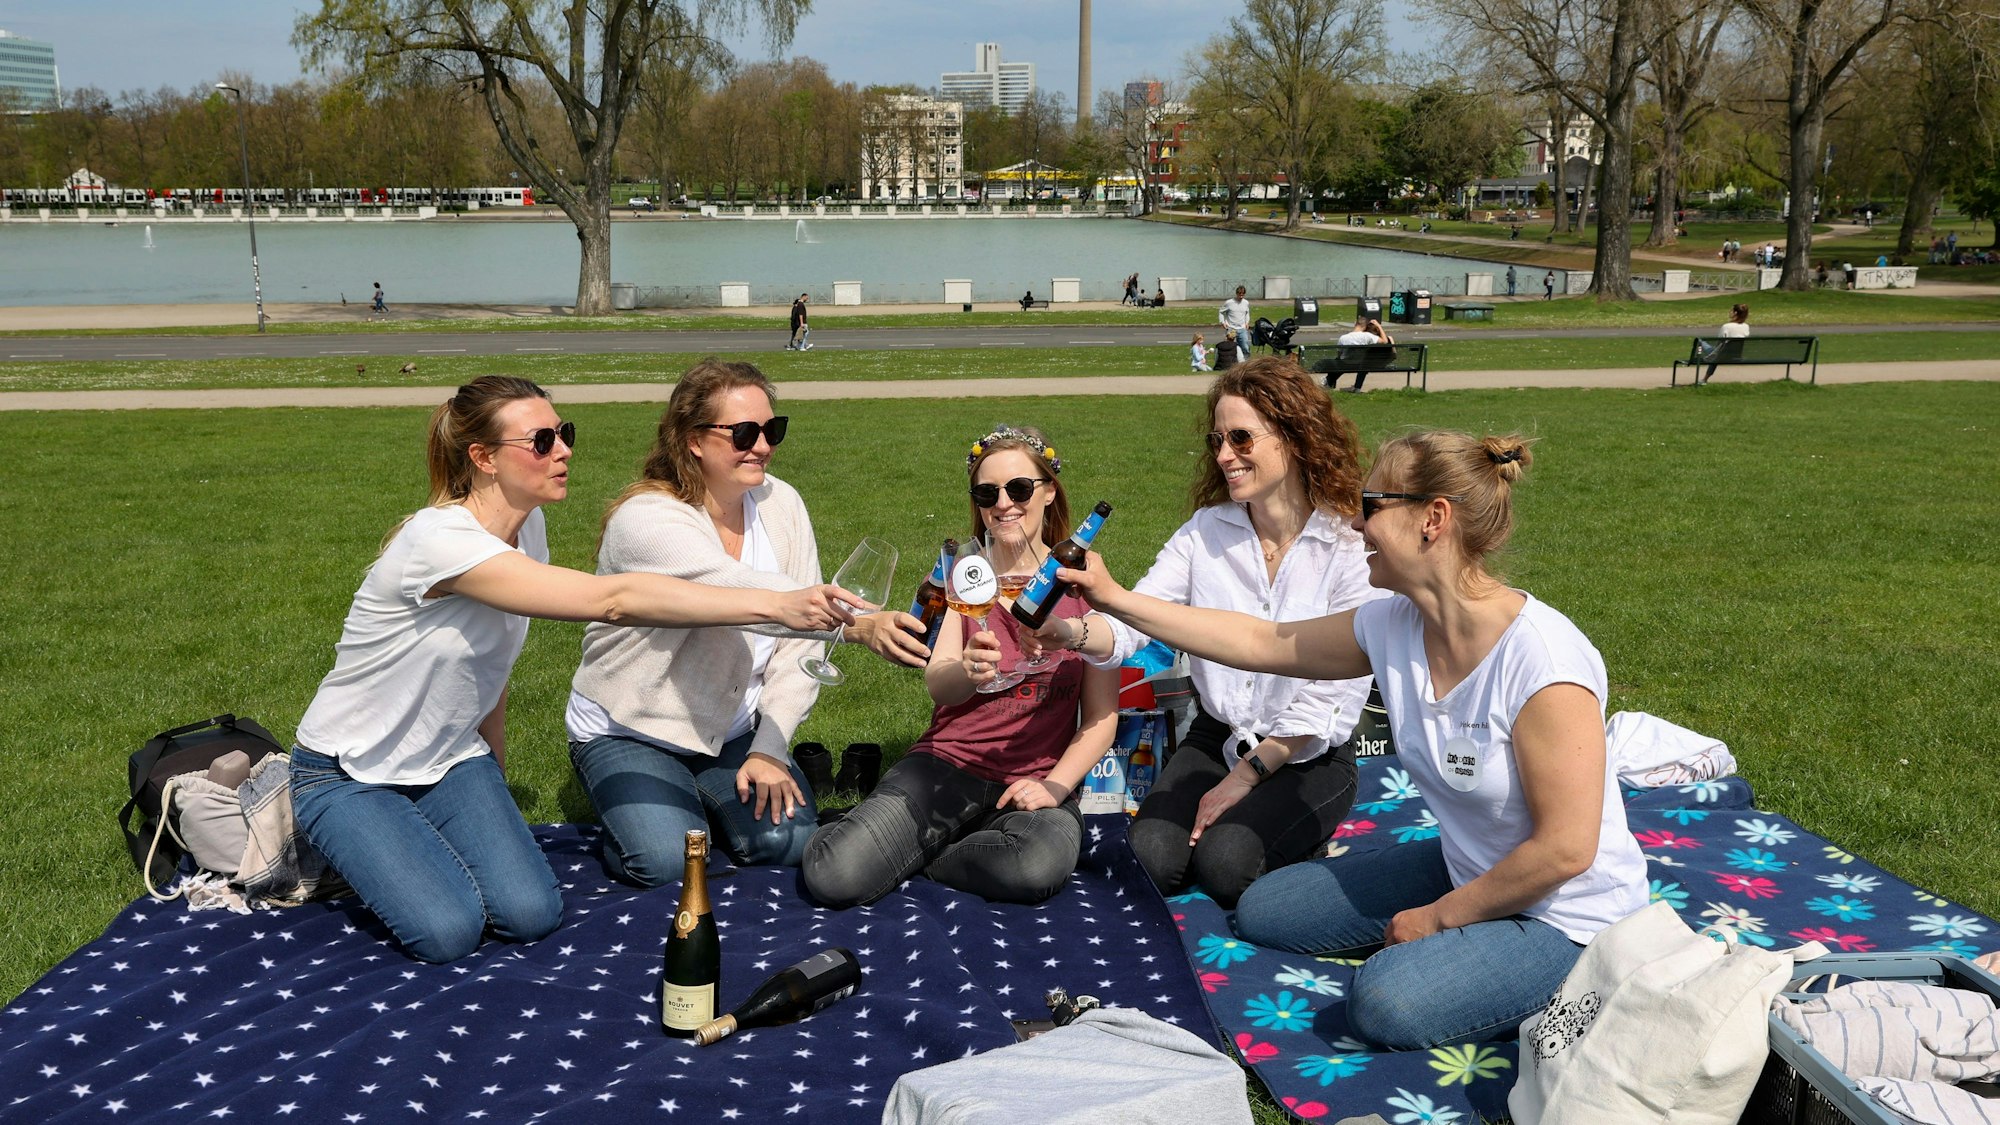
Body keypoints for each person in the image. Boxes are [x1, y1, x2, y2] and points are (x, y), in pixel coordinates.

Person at [1045, 430, 1648, 1051]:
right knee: (1266, 910)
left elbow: (1566, 850)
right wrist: (1115, 599)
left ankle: (1588, 974)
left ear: (1433, 519)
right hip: (1471, 866)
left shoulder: (1544, 662)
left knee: (1386, 1002)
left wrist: (1437, 919)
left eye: (1372, 506)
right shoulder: (1393, 623)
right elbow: (1259, 642)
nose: (1356, 525)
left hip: (1568, 916)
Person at [290, 376, 862, 964]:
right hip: (348, 769)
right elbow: (613, 600)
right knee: (448, 933)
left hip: (449, 761)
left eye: (563, 433)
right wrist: (782, 605)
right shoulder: (439, 542)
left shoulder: (526, 526)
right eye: (542, 441)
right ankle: (321, 836)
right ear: (483, 458)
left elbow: (491, 666)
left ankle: (401, 840)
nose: (563, 450)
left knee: (530, 915)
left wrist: (492, 782)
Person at [1029, 358, 1379, 906]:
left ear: (1295, 437)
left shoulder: (1348, 542)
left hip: (1305, 750)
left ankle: (1305, 846)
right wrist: (1068, 632)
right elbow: (1132, 623)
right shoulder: (1206, 531)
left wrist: (1245, 777)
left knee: (1226, 867)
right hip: (1218, 733)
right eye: (1217, 440)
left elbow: (1335, 695)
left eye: (1241, 438)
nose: (1223, 456)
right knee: (1150, 859)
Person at [567, 361, 930, 886]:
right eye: (743, 433)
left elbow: (796, 650)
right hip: (633, 727)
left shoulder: (781, 503)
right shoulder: (647, 519)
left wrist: (769, 749)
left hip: (731, 728)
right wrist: (856, 625)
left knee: (791, 843)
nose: (761, 446)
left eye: (771, 430)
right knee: (667, 862)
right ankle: (649, 810)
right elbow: (739, 590)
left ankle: (698, 803)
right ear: (693, 440)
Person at [802, 426, 1119, 908]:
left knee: (1031, 868)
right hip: (948, 763)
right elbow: (939, 683)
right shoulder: (965, 573)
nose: (1003, 504)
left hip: (1033, 780)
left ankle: (925, 852)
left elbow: (1101, 717)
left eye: (1019, 488)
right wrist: (968, 672)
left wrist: (1055, 787)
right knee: (834, 875)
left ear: (1049, 492)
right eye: (987, 493)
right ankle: (895, 838)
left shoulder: (1085, 583)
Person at [1331, 315, 1393, 393]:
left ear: (1355, 323)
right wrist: (1379, 325)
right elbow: (1385, 341)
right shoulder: (1367, 336)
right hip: (1360, 365)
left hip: (1345, 364)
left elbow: (1339, 354)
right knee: (1364, 364)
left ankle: (1329, 382)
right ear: (1365, 327)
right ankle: (1357, 387)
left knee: (1337, 362)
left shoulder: (1343, 337)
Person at [1700, 303, 1751, 385]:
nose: (1729, 312)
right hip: (1736, 355)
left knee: (1700, 342)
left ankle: (1704, 377)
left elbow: (1719, 344)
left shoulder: (1726, 326)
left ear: (1735, 313)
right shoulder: (1746, 326)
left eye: (1731, 310)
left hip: (1722, 355)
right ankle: (1704, 378)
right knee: (1716, 355)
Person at [1220, 285, 1253, 361]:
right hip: (1231, 328)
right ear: (1236, 293)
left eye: (1243, 295)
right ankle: (1231, 362)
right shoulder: (1229, 303)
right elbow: (1221, 312)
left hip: (1242, 328)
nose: (1241, 297)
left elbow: (1247, 313)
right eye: (1239, 295)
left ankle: (1245, 362)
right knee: (1230, 346)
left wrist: (1247, 322)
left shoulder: (1246, 303)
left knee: (1245, 346)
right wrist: (1222, 322)